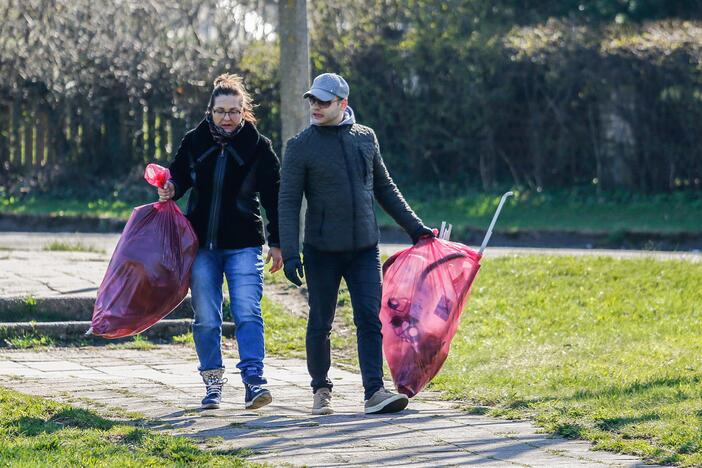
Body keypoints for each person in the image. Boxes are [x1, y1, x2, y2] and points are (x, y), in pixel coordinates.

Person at [278, 73, 434, 415]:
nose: (315, 107)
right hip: (321, 250)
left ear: (343, 104)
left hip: (364, 248)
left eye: (323, 102)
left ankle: (374, 392)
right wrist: (290, 252)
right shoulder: (300, 146)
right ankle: (321, 390)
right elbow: (288, 201)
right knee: (321, 320)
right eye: (313, 101)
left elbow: (385, 188)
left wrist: (415, 227)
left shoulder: (366, 138)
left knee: (369, 318)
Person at [158, 73, 282, 410]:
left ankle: (254, 382)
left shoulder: (259, 147)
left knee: (247, 312)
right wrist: (170, 188)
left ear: (244, 112)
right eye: (220, 111)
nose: (227, 118)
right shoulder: (194, 141)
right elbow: (178, 177)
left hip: (244, 243)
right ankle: (212, 382)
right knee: (207, 318)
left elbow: (274, 199)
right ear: (209, 111)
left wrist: (278, 242)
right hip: (200, 247)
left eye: (233, 111)